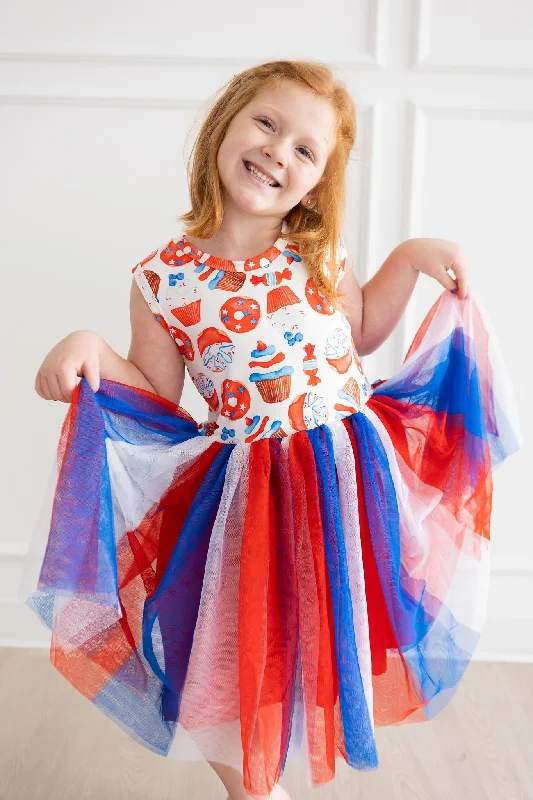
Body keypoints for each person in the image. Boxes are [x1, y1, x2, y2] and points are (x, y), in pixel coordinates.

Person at [21, 60, 520, 800]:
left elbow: (361, 332)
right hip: (246, 496)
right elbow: (160, 397)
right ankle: (250, 785)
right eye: (266, 124)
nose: (277, 152)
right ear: (225, 123)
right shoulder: (163, 278)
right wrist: (91, 349)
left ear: (318, 181)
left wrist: (409, 258)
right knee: (225, 651)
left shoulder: (315, 253)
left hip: (347, 478)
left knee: (321, 632)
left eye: (304, 150)